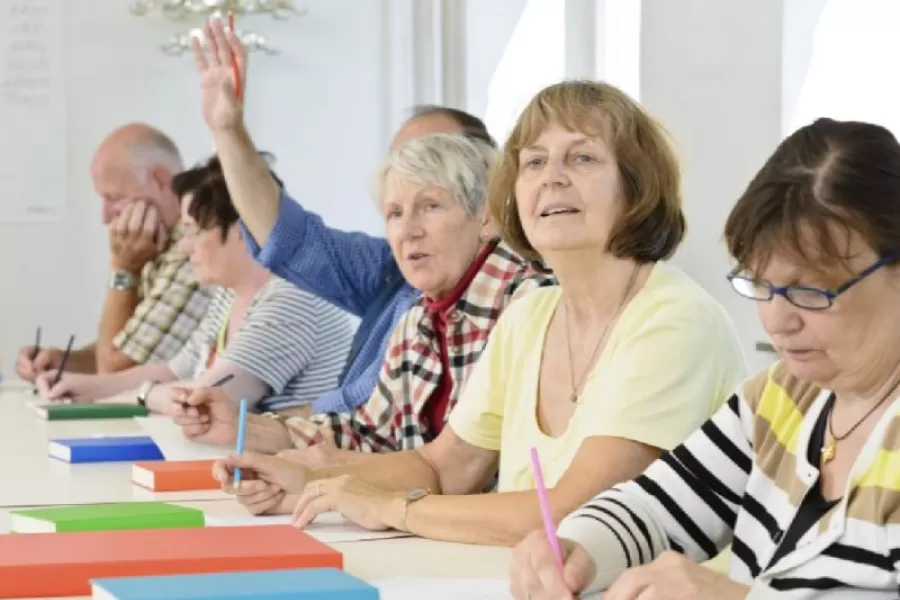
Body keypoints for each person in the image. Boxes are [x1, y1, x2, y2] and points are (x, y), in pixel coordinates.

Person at [198, 80, 746, 547]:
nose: (551, 177)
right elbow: (444, 466)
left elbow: (572, 514)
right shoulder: (532, 314)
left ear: (637, 187)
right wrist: (305, 477)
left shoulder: (673, 319)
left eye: (581, 157)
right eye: (533, 161)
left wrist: (393, 508)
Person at [508, 117, 900, 600]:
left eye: (809, 289)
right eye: (760, 284)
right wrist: (577, 546)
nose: (777, 320)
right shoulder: (781, 399)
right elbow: (655, 508)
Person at [172, 130, 556, 492]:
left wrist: (310, 478)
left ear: (485, 216)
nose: (409, 231)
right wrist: (244, 428)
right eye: (394, 214)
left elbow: (462, 475)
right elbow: (370, 435)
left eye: (430, 206)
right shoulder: (418, 317)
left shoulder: (529, 303)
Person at [191, 17, 496, 415]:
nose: (408, 176)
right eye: (399, 168)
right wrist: (227, 131)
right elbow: (288, 239)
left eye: (432, 165)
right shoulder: (392, 267)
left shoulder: (512, 294)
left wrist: (280, 429)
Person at [36, 156, 353, 415]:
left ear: (242, 229)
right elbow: (174, 371)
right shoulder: (230, 293)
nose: (185, 247)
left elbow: (203, 402)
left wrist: (138, 395)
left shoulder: (290, 298)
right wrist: (83, 387)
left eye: (194, 231)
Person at [15, 123, 211, 379]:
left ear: (160, 181)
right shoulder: (157, 244)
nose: (105, 217)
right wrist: (61, 361)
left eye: (115, 197)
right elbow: (131, 347)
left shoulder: (193, 254)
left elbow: (116, 373)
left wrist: (122, 268)